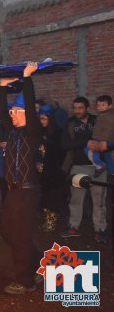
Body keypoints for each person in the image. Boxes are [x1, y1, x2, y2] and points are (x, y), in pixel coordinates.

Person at [0, 61, 42, 295]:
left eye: (17, 111)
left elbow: (31, 110)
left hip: (27, 191)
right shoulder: (12, 133)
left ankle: (25, 281)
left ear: (28, 113)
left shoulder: (32, 133)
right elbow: (0, 112)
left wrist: (27, 78)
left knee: (20, 235)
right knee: (7, 231)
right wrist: (2, 87)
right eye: (12, 111)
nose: (12, 114)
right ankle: (38, 262)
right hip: (12, 191)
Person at [60, 96, 105, 243]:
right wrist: (84, 142)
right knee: (75, 200)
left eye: (80, 108)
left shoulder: (97, 120)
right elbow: (65, 145)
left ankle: (100, 230)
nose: (77, 111)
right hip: (78, 165)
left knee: (99, 201)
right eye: (75, 108)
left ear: (87, 108)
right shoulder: (70, 123)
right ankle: (74, 227)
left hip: (99, 167)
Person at [36, 105, 65, 232]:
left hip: (53, 171)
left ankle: (51, 223)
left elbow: (60, 152)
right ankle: (47, 221)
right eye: (40, 119)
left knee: (52, 198)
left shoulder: (58, 132)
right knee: (44, 196)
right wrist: (37, 162)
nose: (42, 121)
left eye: (45, 119)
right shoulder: (39, 132)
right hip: (41, 171)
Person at [85, 95, 113, 178]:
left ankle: (100, 166)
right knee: (107, 157)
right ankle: (112, 172)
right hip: (104, 141)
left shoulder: (107, 116)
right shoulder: (103, 115)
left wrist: (103, 142)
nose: (100, 107)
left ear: (110, 105)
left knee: (89, 151)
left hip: (102, 141)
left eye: (103, 105)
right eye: (98, 105)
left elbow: (109, 129)